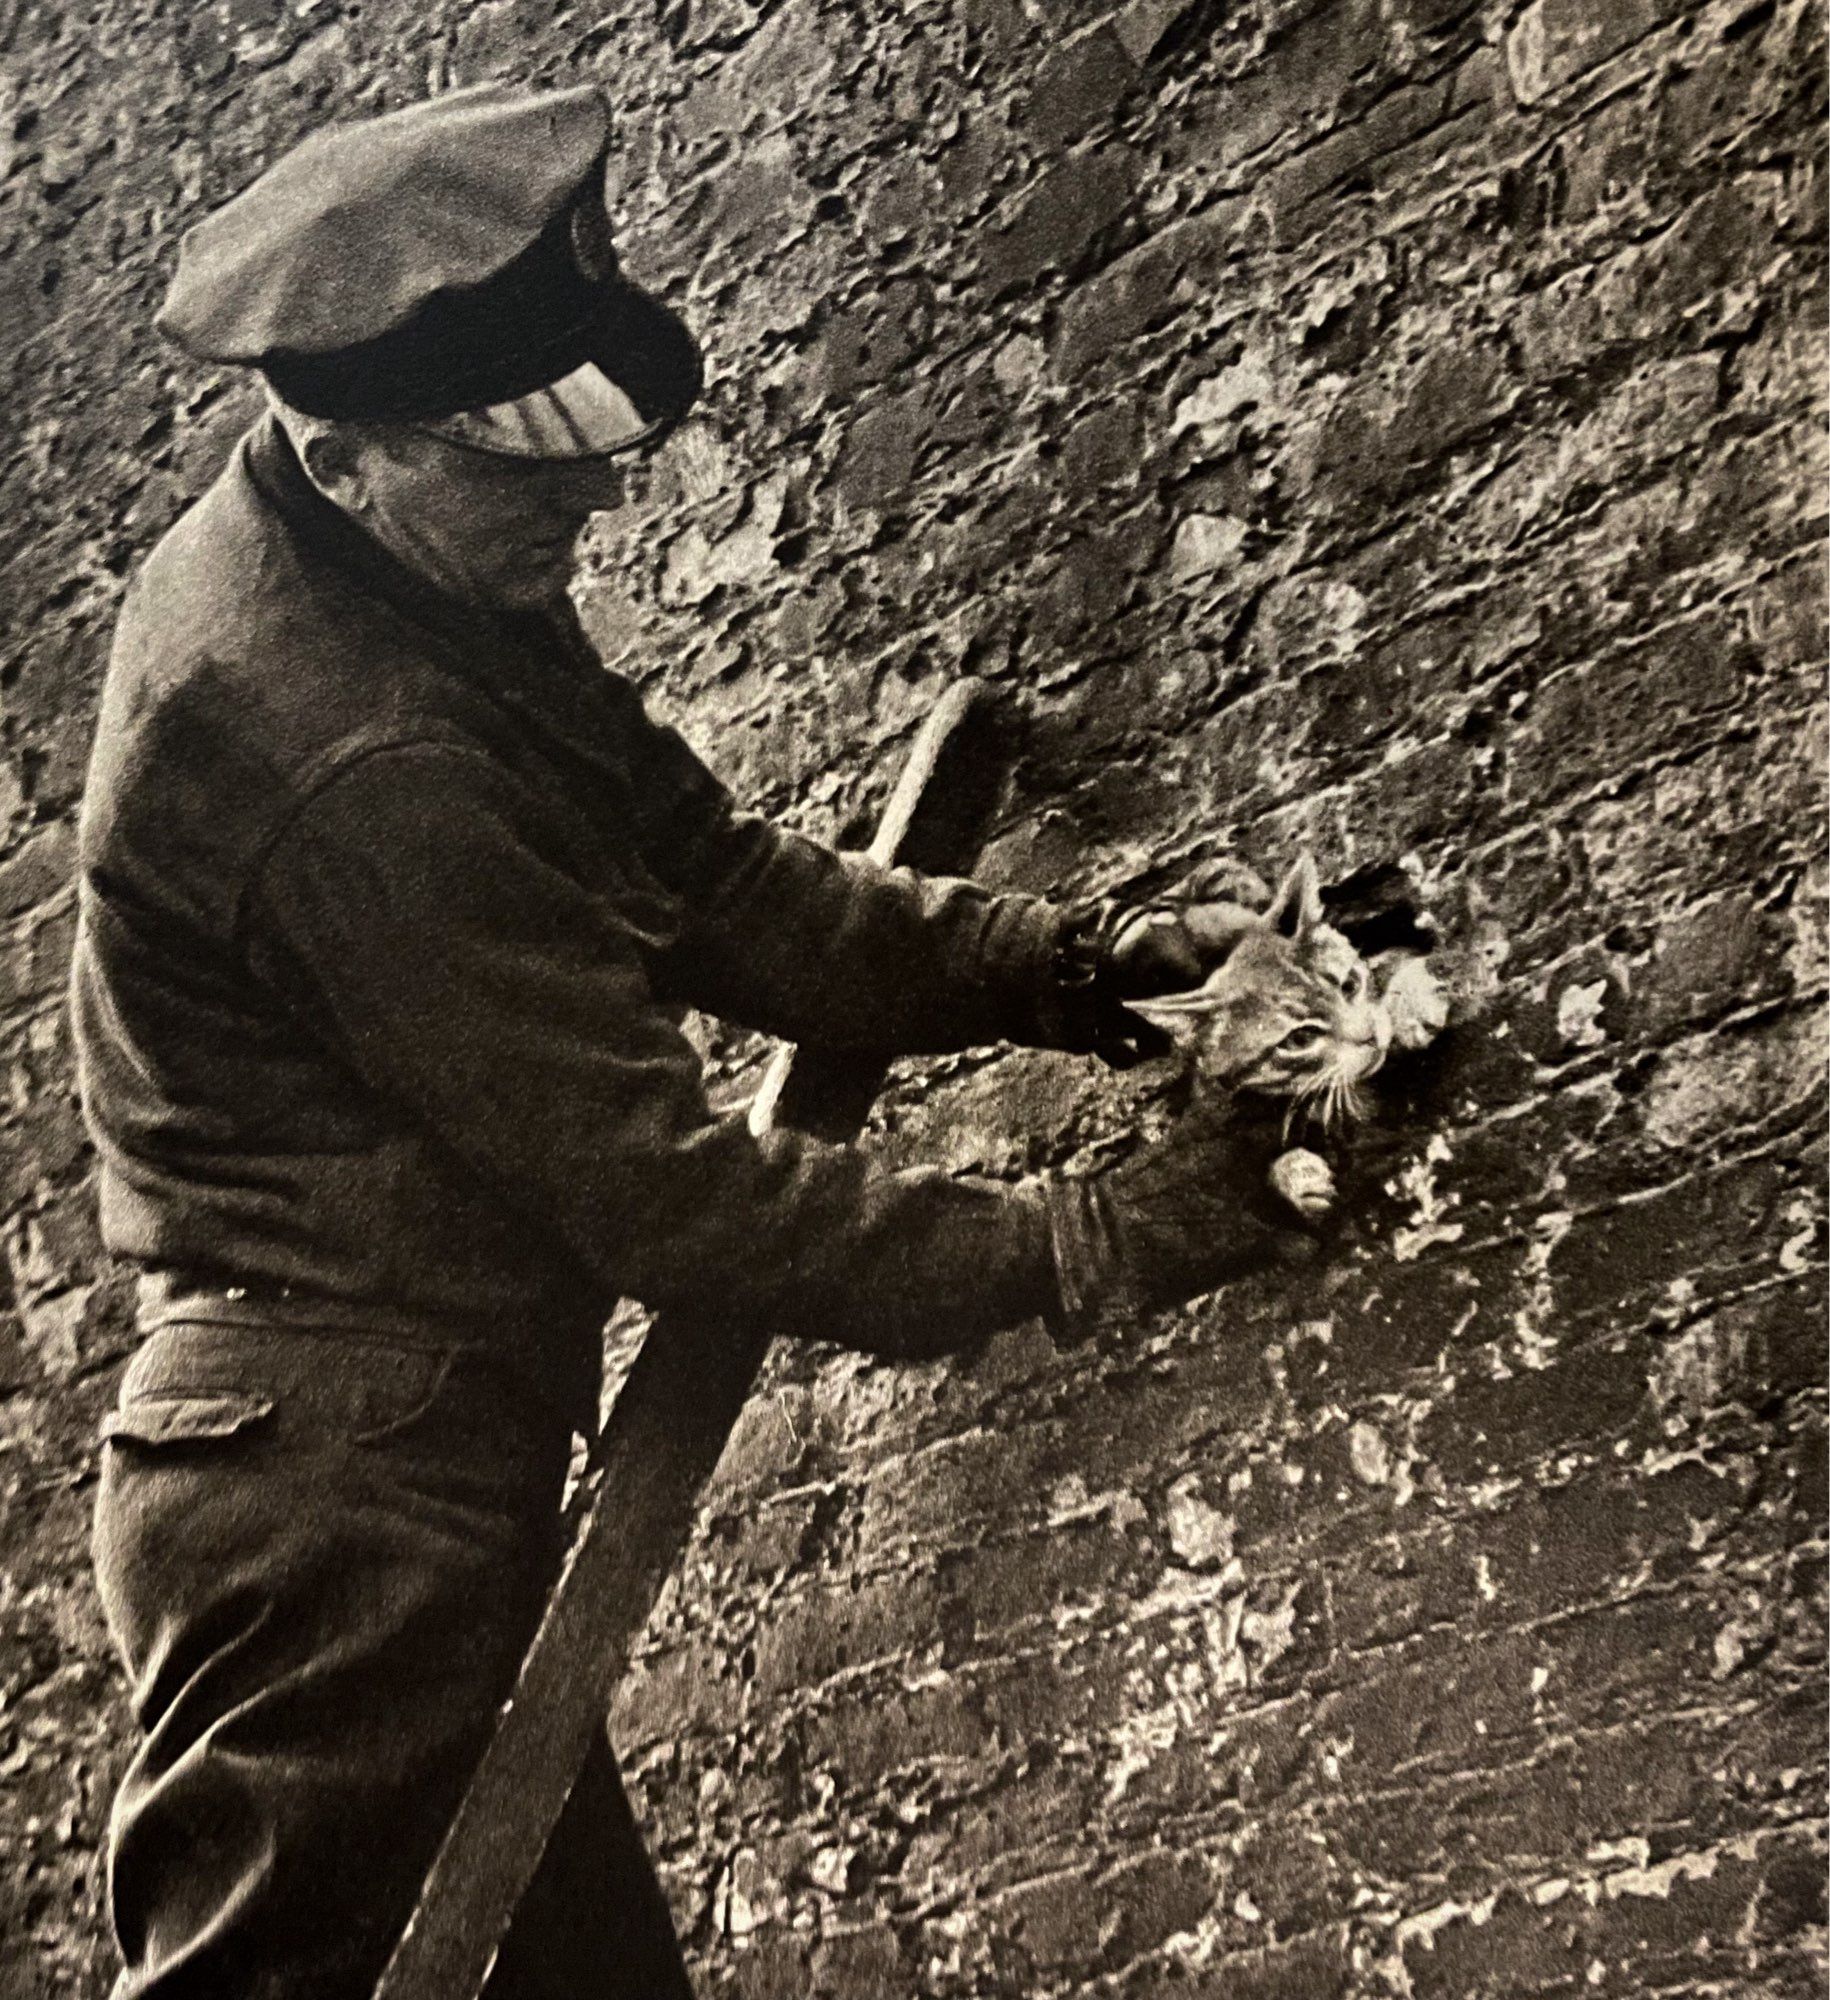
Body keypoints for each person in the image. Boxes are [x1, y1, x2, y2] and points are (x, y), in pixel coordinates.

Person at [71, 82, 1314, 2000]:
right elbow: (657, 1192)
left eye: (586, 441)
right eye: (523, 466)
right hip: (326, 1506)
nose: (589, 492)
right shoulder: (339, 750)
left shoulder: (416, 575)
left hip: (407, 1448)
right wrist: (1081, 1239)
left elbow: (714, 886)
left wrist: (1085, 968)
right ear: (348, 458)